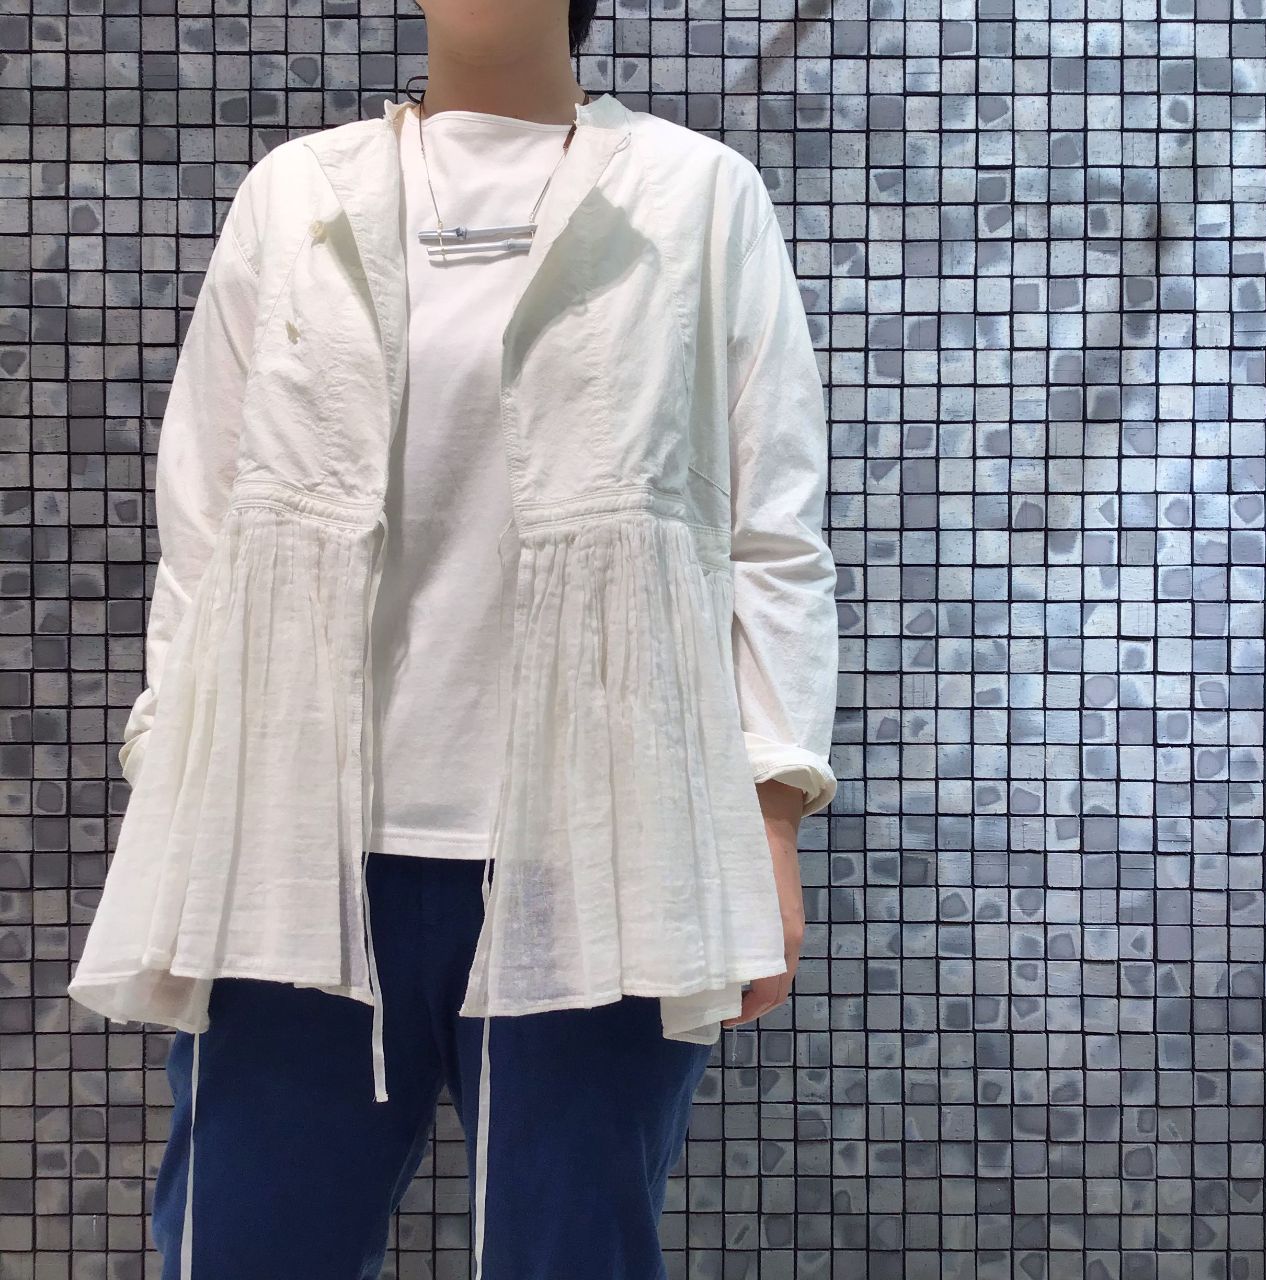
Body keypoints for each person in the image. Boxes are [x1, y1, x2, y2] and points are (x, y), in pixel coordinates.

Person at [66, 1, 840, 1276]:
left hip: (602, 853)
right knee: (244, 1249)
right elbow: (203, 528)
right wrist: (180, 801)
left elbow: (769, 530)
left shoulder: (695, 195)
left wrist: (768, 817)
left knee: (569, 1253)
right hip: (289, 844)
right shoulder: (296, 194)